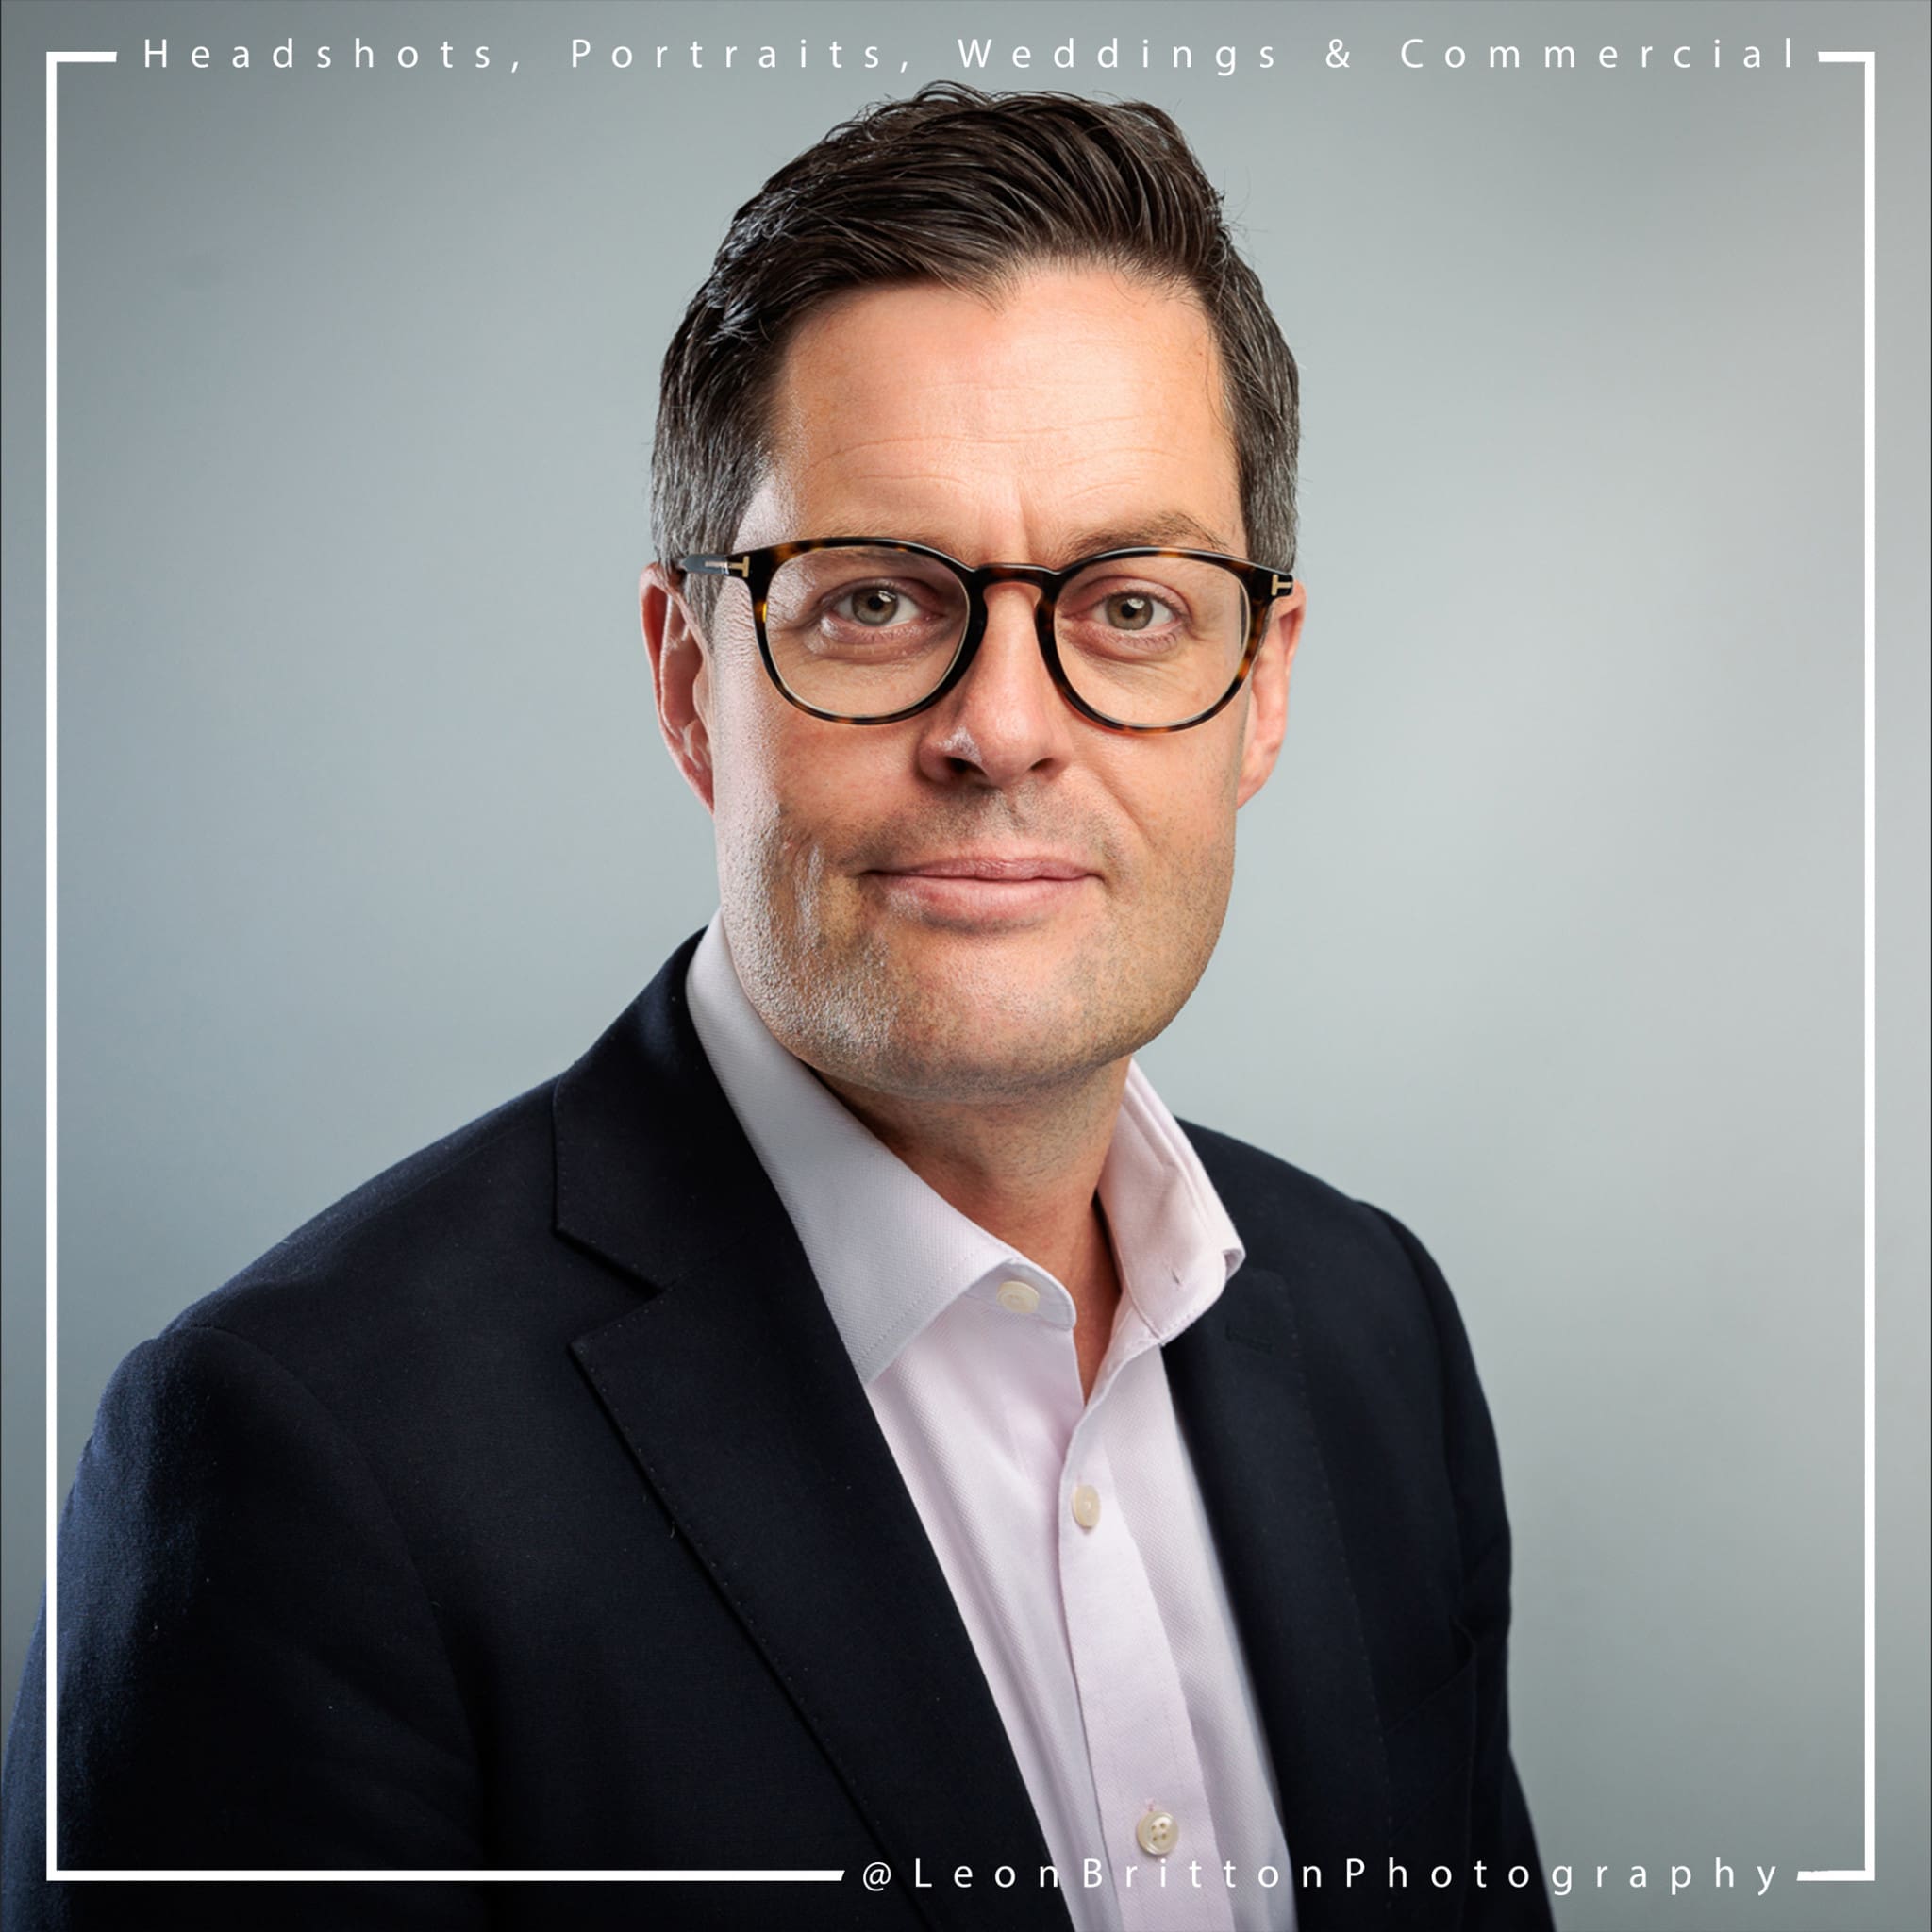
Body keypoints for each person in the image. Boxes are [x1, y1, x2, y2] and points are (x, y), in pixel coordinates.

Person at [2, 83, 1553, 1932]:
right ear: (688, 681)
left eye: (1130, 605)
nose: (1003, 726)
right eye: (878, 601)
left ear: (1260, 689)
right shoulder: (297, 1459)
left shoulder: (1373, 1333)